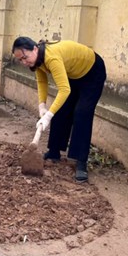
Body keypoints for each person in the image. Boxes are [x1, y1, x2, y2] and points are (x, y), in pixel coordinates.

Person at [12, 37, 107, 183]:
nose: (24, 62)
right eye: (20, 60)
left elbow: (64, 90)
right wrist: (42, 106)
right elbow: (42, 81)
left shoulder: (52, 58)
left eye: (25, 57)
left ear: (35, 49)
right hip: (74, 73)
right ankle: (54, 152)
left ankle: (81, 161)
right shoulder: (38, 60)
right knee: (61, 109)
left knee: (82, 113)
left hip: (93, 72)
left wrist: (48, 115)